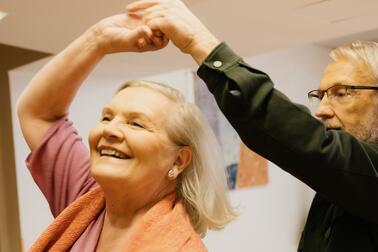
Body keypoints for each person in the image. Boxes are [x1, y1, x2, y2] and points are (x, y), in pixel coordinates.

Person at [126, 0, 378, 251]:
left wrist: (200, 43)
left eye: (342, 93)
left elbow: (300, 137)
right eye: (320, 95)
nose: (321, 110)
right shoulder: (341, 185)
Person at [17, 12, 237, 251]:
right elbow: (39, 114)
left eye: (136, 124)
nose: (110, 130)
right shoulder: (85, 201)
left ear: (178, 160)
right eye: (107, 117)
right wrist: (97, 39)